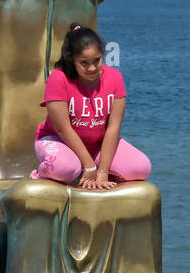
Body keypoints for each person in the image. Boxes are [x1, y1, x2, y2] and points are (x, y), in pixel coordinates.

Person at [31, 24, 151, 189]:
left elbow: (113, 128)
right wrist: (89, 165)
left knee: (141, 168)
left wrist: (102, 171)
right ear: (71, 59)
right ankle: (41, 175)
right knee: (63, 169)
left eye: (97, 60)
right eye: (84, 63)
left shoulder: (115, 78)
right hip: (59, 140)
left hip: (97, 145)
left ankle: (91, 171)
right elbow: (62, 129)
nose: (92, 68)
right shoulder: (58, 79)